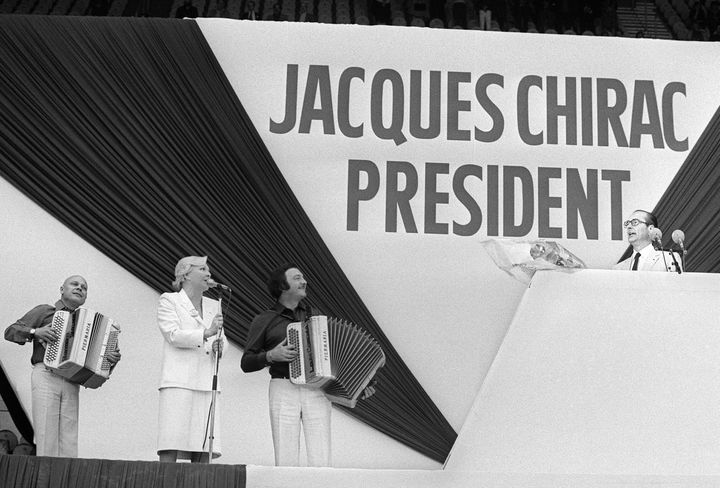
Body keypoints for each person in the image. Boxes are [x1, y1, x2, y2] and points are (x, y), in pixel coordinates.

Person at [241, 263, 375, 467]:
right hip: (283, 388)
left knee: (321, 457)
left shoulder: (316, 316)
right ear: (282, 286)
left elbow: (339, 351)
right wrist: (271, 355)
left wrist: (363, 383)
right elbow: (246, 363)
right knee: (285, 457)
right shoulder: (265, 319)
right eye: (296, 278)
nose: (304, 281)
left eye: (302, 277)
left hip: (316, 389)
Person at [4, 275, 121, 457]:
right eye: (74, 284)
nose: (79, 288)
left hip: (71, 380)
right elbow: (10, 331)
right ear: (62, 289)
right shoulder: (45, 311)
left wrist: (110, 359)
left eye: (84, 287)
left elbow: (97, 361)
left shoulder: (89, 322)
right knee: (46, 434)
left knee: (69, 438)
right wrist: (35, 332)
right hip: (46, 374)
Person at [157, 256, 226, 463]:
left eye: (209, 270)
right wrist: (207, 333)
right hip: (179, 381)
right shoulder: (169, 300)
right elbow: (172, 334)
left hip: (207, 381)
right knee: (171, 442)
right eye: (203, 269)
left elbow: (221, 336)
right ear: (186, 274)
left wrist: (220, 345)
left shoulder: (214, 304)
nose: (209, 274)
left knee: (204, 446)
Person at [612, 210, 682, 272]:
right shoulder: (618, 269)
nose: (629, 227)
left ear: (650, 229)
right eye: (627, 223)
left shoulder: (669, 259)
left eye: (635, 222)